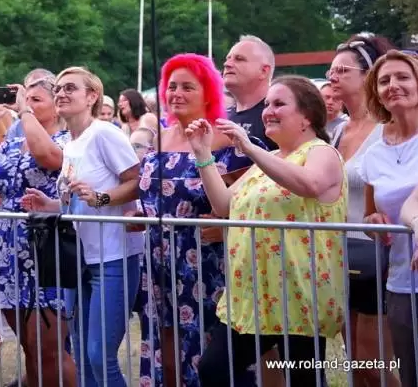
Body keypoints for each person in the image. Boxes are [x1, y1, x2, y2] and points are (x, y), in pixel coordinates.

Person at [192, 76, 346, 387]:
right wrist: (203, 155)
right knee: (213, 369)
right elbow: (224, 205)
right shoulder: (271, 158)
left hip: (298, 292)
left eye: (279, 104)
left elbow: (309, 184)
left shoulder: (321, 152)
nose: (268, 111)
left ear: (306, 116)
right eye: (266, 104)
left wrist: (249, 148)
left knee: (303, 380)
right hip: (252, 293)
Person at [135, 54, 260, 387]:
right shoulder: (159, 138)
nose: (176, 93)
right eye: (171, 86)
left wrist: (228, 227)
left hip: (206, 261)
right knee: (165, 347)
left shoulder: (227, 138)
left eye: (187, 87)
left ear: (208, 93)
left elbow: (259, 196)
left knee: (205, 351)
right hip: (157, 258)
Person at [20, 67, 141, 387]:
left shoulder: (104, 134)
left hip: (112, 259)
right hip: (79, 261)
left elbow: (136, 182)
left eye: (70, 88)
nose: (61, 93)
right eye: (58, 89)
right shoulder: (70, 143)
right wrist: (50, 204)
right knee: (84, 359)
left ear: (92, 97)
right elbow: (78, 200)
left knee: (100, 355)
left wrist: (102, 198)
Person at [0, 73, 76, 387]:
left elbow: (48, 158)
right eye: (25, 98)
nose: (25, 104)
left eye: (35, 99)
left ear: (56, 106)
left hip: (47, 251)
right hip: (9, 254)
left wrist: (23, 111)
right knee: (30, 346)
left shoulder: (67, 140)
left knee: (48, 348)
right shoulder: (14, 144)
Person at [329, 34, 399, 387]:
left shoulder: (387, 129)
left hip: (379, 256)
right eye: (331, 69)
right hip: (341, 254)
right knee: (355, 363)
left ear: (367, 75)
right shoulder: (338, 129)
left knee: (374, 363)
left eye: (342, 70)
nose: (333, 76)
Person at [360, 50, 418, 387]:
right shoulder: (374, 154)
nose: (393, 85)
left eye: (403, 77)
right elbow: (370, 215)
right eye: (384, 81)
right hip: (402, 284)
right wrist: (372, 223)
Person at [223, 35, 277, 149]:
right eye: (228, 58)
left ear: (263, 71)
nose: (227, 64)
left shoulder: (278, 115)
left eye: (239, 59)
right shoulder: (222, 117)